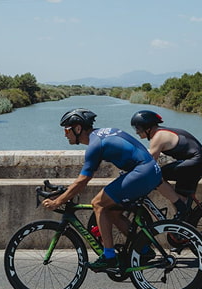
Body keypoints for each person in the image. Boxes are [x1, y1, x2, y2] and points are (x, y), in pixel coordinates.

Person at [42, 108, 162, 271]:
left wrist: (58, 201)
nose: (65, 134)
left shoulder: (94, 145)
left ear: (78, 129)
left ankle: (109, 257)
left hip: (142, 172)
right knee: (112, 212)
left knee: (98, 203)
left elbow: (83, 180)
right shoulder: (102, 134)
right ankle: (144, 250)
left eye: (67, 130)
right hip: (149, 170)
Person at [130, 110, 202, 220]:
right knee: (181, 198)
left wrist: (131, 173)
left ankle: (181, 208)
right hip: (198, 162)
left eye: (138, 128)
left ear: (147, 127)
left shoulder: (158, 137)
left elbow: (148, 164)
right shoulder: (163, 131)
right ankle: (184, 221)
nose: (137, 132)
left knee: (156, 176)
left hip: (195, 162)